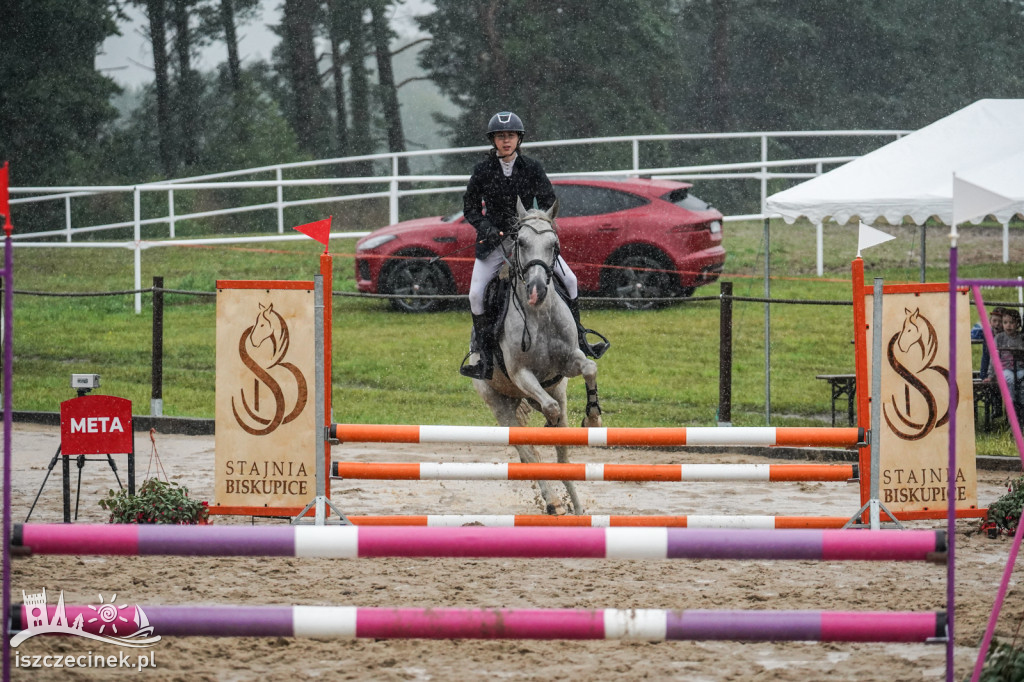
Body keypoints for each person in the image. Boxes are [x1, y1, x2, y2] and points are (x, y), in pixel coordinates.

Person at [459, 111, 608, 380]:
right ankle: (483, 356)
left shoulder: (532, 168)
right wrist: (487, 229)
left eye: (511, 136)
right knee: (475, 294)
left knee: (571, 280)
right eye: (501, 137)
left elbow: (548, 199)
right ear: (493, 140)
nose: (506, 141)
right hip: (495, 242)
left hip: (530, 238)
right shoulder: (482, 171)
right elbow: (469, 208)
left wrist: (535, 220)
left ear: (519, 139)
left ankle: (580, 340)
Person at [988, 309, 1024, 406]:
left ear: (1018, 324)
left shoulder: (1021, 338)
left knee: (1022, 383)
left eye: (1011, 322)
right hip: (1005, 369)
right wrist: (991, 375)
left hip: (1020, 369)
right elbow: (993, 357)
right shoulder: (999, 338)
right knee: (1010, 379)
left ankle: (1021, 405)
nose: (1008, 325)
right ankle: (1011, 403)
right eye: (1005, 322)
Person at [979, 307, 1005, 379]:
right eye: (994, 320)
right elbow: (985, 355)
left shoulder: (1006, 336)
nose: (997, 324)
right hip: (989, 366)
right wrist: (983, 374)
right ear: (990, 321)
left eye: (1000, 321)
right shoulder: (987, 334)